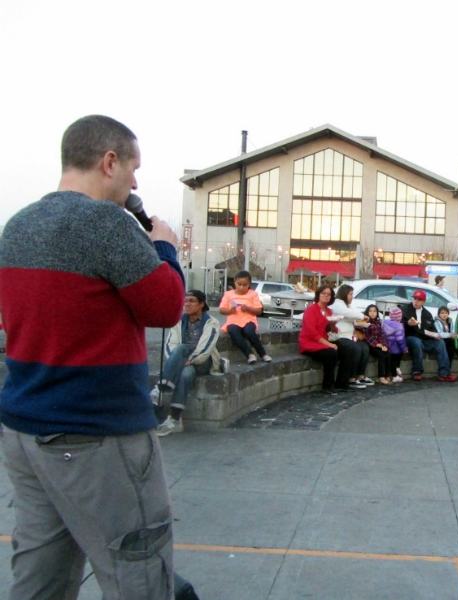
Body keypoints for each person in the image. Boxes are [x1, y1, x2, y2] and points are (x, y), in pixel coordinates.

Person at [0, 115, 185, 599]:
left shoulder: (18, 225)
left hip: (25, 430)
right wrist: (165, 247)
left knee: (42, 571)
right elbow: (165, 307)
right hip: (96, 435)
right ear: (109, 162)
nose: (136, 181)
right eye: (133, 167)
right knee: (138, 566)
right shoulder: (106, 225)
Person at [152, 290, 224, 436]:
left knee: (183, 348)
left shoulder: (212, 322)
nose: (187, 304)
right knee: (185, 374)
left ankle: (159, 390)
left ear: (201, 304)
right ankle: (175, 419)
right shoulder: (179, 321)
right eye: (185, 301)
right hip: (184, 361)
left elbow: (206, 347)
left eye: (191, 301)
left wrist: (190, 360)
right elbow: (170, 345)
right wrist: (182, 361)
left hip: (203, 361)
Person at [299, 284, 351, 394]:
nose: (326, 296)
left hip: (325, 341)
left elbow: (333, 331)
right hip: (311, 343)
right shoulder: (311, 310)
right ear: (318, 294)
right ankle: (328, 385)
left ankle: (342, 383)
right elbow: (312, 333)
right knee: (331, 353)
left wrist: (333, 325)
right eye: (323, 293)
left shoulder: (329, 311)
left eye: (329, 294)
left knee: (348, 351)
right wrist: (329, 344)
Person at [403, 290, 457, 382]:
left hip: (425, 338)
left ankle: (444, 373)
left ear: (423, 301)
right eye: (415, 299)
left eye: (419, 300)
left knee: (440, 343)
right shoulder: (405, 309)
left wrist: (435, 335)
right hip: (410, 336)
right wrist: (407, 323)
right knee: (417, 342)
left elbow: (431, 329)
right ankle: (417, 370)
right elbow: (399, 324)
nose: (416, 301)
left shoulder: (427, 313)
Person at [219, 270, 271, 364]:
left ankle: (262, 354)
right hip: (233, 321)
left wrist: (248, 309)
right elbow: (221, 310)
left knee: (249, 331)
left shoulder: (253, 294)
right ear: (235, 282)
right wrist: (230, 310)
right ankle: (249, 354)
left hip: (248, 320)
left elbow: (258, 311)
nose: (242, 287)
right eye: (239, 284)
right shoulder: (228, 294)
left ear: (249, 284)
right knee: (233, 330)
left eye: (245, 285)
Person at [330, 284, 374, 389]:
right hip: (340, 336)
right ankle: (349, 379)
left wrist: (361, 321)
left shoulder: (347, 305)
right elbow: (347, 313)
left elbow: (354, 314)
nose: (352, 297)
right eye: (350, 294)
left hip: (350, 335)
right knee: (355, 349)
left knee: (364, 348)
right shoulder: (337, 303)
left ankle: (360, 375)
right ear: (344, 294)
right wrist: (363, 317)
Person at [363, 304, 394, 384]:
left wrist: (384, 345)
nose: (372, 313)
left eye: (374, 311)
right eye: (370, 311)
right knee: (381, 355)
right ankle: (381, 376)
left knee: (387, 354)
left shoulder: (378, 322)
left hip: (379, 344)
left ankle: (387, 374)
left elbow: (381, 335)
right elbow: (367, 336)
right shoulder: (366, 323)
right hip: (371, 345)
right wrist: (377, 344)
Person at [382, 306, 407, 383]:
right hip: (396, 347)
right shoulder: (399, 326)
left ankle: (393, 373)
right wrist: (404, 348)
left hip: (388, 345)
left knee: (391, 361)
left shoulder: (385, 323)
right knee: (395, 361)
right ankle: (394, 375)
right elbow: (400, 339)